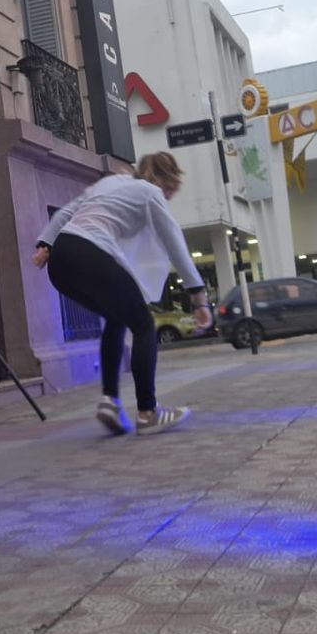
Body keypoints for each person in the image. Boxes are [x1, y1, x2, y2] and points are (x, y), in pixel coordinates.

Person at [31, 152, 210, 436]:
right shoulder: (151, 193)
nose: (170, 196)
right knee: (143, 324)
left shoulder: (110, 184)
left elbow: (66, 212)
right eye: (172, 189)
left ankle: (110, 402)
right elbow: (174, 242)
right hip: (91, 252)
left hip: (61, 258)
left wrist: (44, 243)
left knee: (117, 318)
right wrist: (199, 298)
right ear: (164, 180)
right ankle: (148, 413)